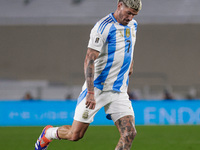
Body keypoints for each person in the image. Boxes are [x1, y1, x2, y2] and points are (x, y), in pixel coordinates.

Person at [35, 0, 142, 149]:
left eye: (134, 14)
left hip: (119, 90)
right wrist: (90, 92)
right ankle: (48, 133)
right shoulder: (103, 27)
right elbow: (89, 59)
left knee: (129, 133)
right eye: (128, 13)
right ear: (119, 5)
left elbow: (129, 47)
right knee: (75, 135)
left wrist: (130, 63)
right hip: (97, 88)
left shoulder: (133, 25)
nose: (130, 17)